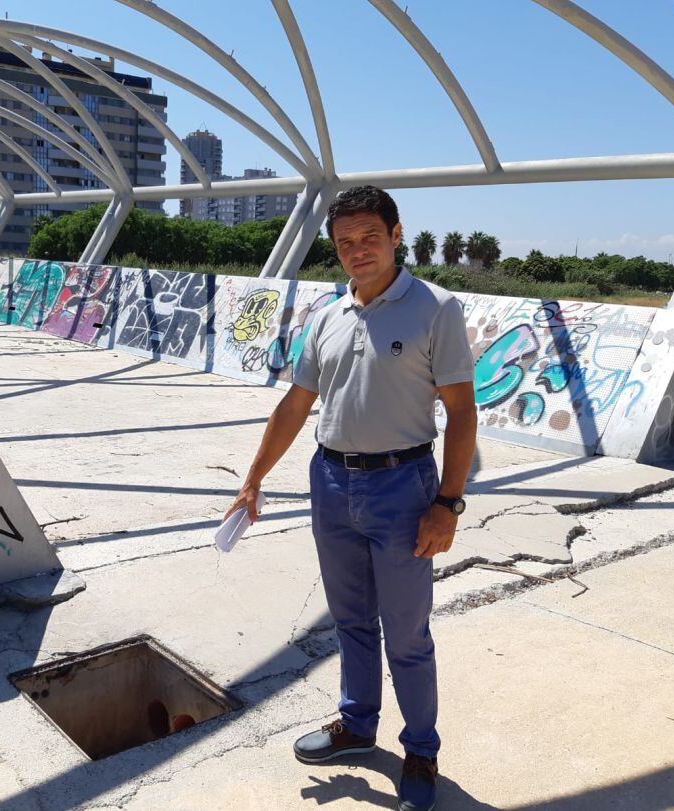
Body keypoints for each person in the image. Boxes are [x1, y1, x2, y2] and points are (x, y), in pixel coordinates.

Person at [226, 185, 477, 811]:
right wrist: (253, 478)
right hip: (331, 481)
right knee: (351, 620)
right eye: (344, 243)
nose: (357, 251)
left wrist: (447, 503)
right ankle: (357, 725)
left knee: (408, 632)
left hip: (403, 486)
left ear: (396, 235)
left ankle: (421, 748)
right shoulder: (328, 315)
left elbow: (462, 412)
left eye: (370, 237)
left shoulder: (434, 309)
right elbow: (295, 404)